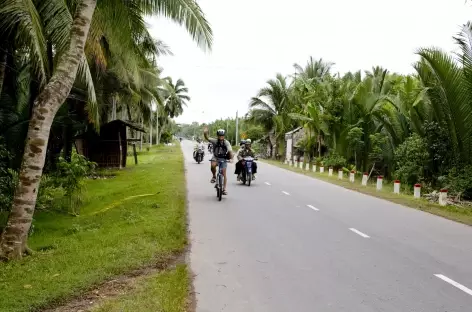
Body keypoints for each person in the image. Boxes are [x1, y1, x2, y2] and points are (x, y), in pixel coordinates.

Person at [203, 127, 233, 195]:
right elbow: (207, 138)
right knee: (213, 165)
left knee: (224, 173)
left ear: (224, 136)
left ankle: (224, 189)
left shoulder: (226, 142)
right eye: (219, 135)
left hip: (223, 158)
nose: (221, 137)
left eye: (222, 136)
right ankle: (214, 176)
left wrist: (231, 158)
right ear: (217, 136)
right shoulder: (215, 141)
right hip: (215, 157)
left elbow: (230, 151)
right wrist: (205, 133)